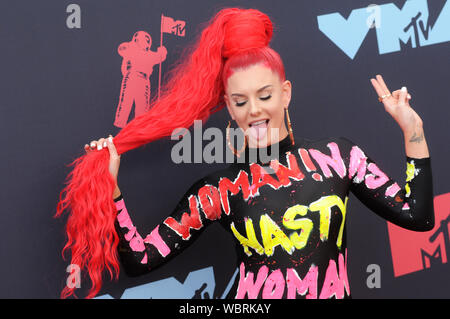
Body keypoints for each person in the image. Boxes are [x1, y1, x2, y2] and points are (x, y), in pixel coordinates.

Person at [56, 7, 434, 299]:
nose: (254, 110)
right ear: (229, 106)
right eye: (240, 101)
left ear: (285, 93)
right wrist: (112, 189)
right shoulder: (219, 191)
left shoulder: (340, 158)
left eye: (265, 95)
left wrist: (412, 128)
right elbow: (139, 259)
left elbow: (417, 217)